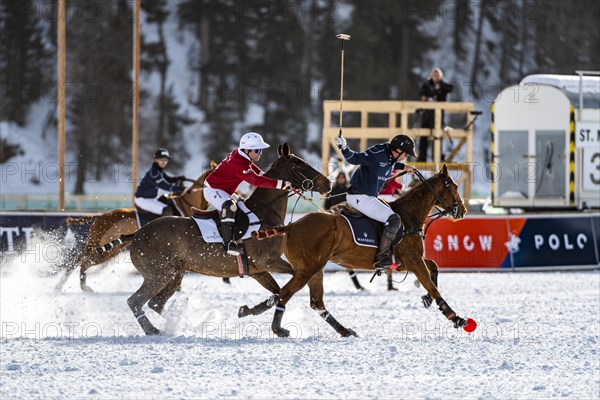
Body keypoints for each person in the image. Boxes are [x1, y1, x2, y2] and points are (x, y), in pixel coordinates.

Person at [336, 133, 416, 271]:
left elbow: (390, 163)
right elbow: (355, 159)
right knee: (394, 220)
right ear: (398, 150)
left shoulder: (391, 157)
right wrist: (344, 147)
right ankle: (381, 257)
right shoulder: (378, 152)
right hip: (360, 197)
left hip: (368, 197)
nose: (406, 157)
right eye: (406, 154)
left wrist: (404, 167)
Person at [204, 132, 292, 256]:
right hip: (212, 189)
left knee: (244, 208)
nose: (260, 153)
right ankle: (228, 244)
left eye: (260, 150)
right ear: (246, 150)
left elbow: (251, 167)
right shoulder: (238, 163)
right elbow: (255, 180)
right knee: (230, 206)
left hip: (224, 190)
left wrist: (263, 173)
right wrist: (279, 184)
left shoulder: (241, 155)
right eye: (257, 150)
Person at [134, 148, 186, 216]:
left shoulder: (159, 170)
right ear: (156, 160)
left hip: (151, 199)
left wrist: (177, 179)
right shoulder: (154, 173)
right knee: (167, 210)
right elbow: (165, 186)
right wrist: (179, 188)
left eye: (166, 160)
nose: (164, 162)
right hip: (143, 200)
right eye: (161, 159)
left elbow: (168, 179)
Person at [418, 67, 454, 162]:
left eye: (438, 75)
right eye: (434, 75)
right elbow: (422, 94)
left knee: (437, 136)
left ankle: (437, 157)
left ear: (440, 76)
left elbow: (450, 88)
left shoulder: (443, 85)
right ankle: (422, 158)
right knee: (423, 136)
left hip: (438, 116)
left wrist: (439, 87)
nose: (436, 77)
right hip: (427, 114)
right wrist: (425, 98)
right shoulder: (426, 84)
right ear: (431, 75)